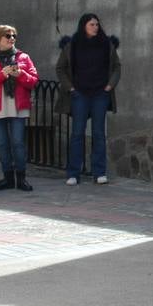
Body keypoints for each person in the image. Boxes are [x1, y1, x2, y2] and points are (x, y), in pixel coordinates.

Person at [55, 12, 122, 185]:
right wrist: (70, 88)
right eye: (92, 24)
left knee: (99, 133)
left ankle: (99, 172)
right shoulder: (73, 45)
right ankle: (73, 173)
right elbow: (61, 68)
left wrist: (109, 86)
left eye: (97, 24)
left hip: (100, 93)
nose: (95, 27)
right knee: (77, 133)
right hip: (80, 94)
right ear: (83, 25)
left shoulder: (106, 44)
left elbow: (116, 67)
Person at [0, 24, 37, 192]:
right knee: (2, 144)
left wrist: (21, 75)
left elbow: (34, 80)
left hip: (18, 106)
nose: (11, 39)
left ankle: (21, 179)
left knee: (18, 143)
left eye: (13, 36)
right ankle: (8, 179)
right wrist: (1, 75)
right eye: (7, 36)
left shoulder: (23, 57)